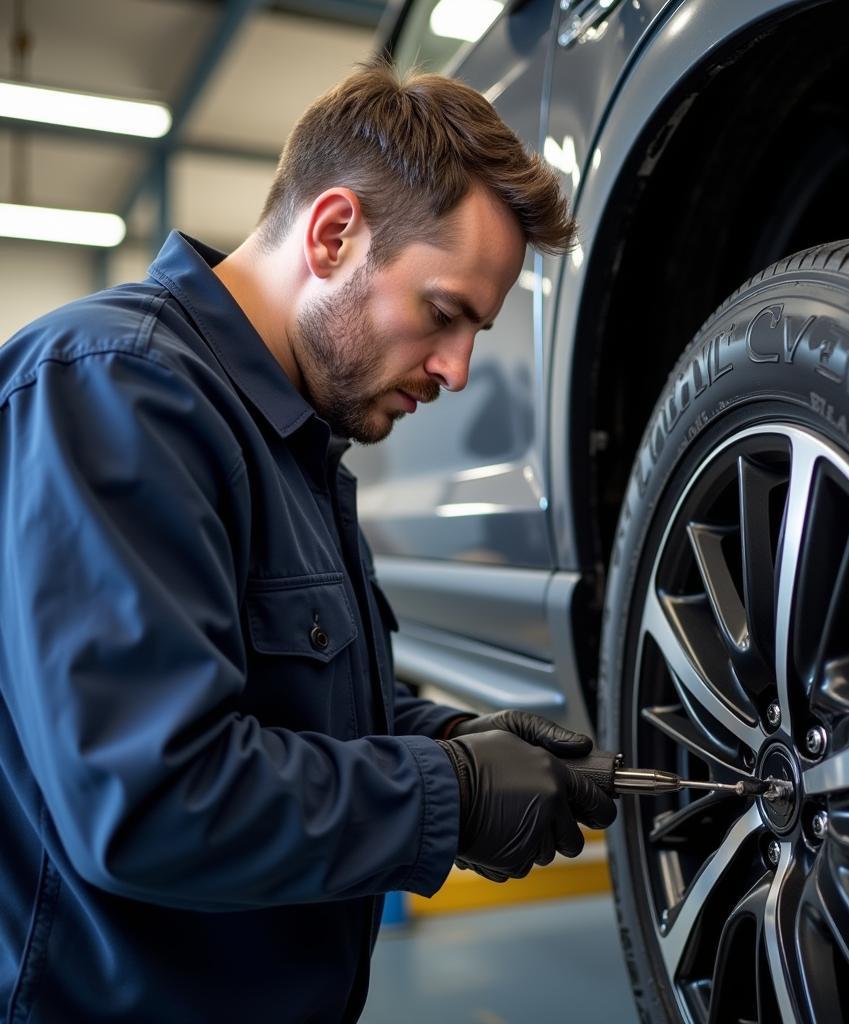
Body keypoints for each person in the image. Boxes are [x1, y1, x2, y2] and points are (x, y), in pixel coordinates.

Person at [0, 62, 616, 1022]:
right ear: (334, 234)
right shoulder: (119, 391)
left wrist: (456, 739)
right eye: (444, 314)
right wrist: (448, 791)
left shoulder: (296, 448)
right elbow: (151, 797)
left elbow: (291, 717)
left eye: (475, 333)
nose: (457, 370)